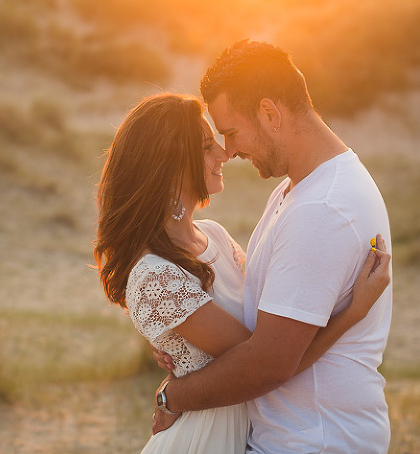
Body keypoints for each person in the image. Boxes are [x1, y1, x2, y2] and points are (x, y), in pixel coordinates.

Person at [94, 92, 391, 453]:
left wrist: (179, 376)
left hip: (241, 435)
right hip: (201, 440)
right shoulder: (155, 275)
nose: (224, 154)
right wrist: (351, 314)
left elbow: (266, 330)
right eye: (207, 147)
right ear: (171, 165)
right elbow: (268, 362)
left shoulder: (215, 235)